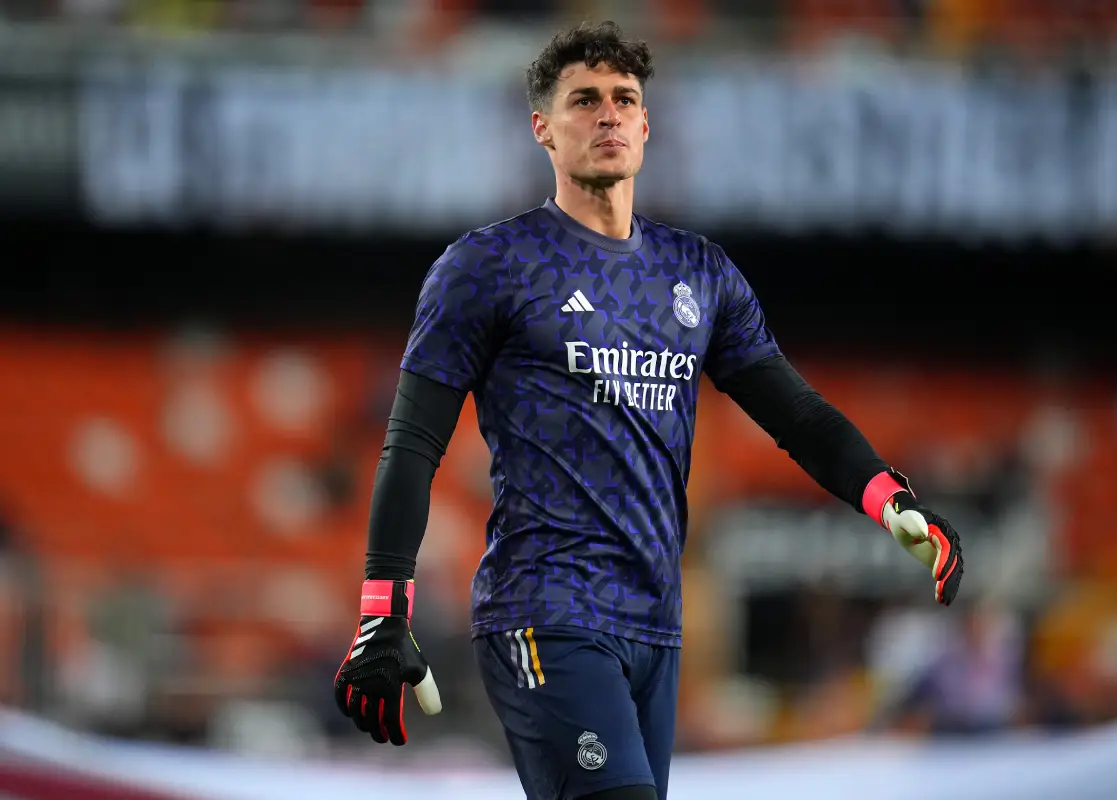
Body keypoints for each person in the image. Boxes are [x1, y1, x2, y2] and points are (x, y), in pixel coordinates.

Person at [333, 20, 964, 800]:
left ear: (645, 123)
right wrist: (382, 607)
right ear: (542, 128)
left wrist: (888, 496)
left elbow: (796, 416)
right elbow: (413, 442)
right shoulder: (488, 266)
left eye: (624, 99)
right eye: (584, 100)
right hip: (544, 611)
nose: (607, 115)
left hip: (655, 629)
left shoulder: (699, 274)